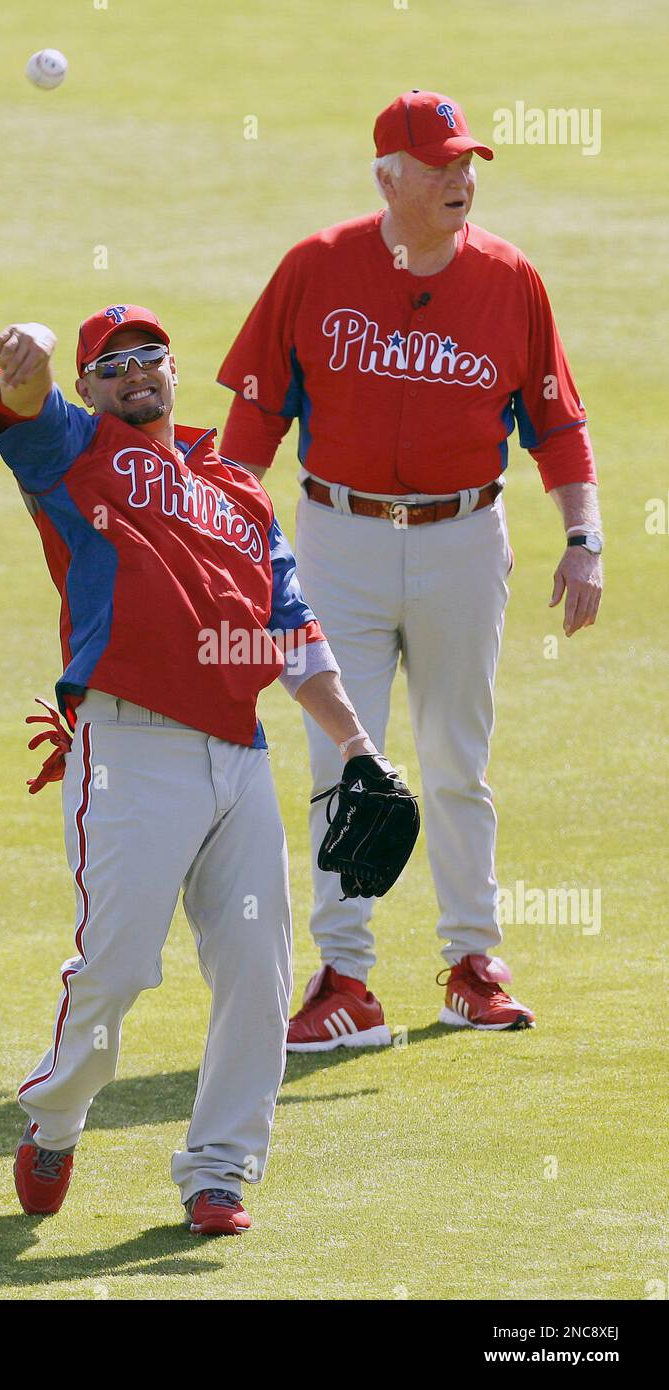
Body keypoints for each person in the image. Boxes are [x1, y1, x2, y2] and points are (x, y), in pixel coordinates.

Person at [0, 303, 401, 1233]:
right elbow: (20, 408)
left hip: (238, 755)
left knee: (257, 968)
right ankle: (55, 1117)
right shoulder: (75, 453)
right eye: (112, 364)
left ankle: (219, 1169)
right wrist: (32, 360)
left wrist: (359, 746)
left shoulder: (239, 491)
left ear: (175, 371)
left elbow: (295, 631)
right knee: (119, 966)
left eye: (151, 358)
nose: (136, 374)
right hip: (131, 749)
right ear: (88, 387)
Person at [217, 90, 604, 1047]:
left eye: (467, 163)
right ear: (387, 176)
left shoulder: (511, 278)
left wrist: (585, 538)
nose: (459, 179)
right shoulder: (316, 266)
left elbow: (555, 419)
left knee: (457, 757)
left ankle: (473, 963)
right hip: (337, 537)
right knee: (341, 756)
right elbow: (255, 419)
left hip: (464, 537)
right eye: (438, 165)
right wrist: (225, 540)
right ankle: (345, 977)